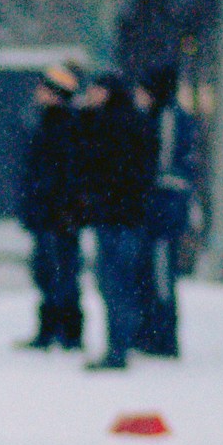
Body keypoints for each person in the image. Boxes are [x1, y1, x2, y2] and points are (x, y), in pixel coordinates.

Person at [75, 74, 152, 371]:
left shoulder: (108, 124)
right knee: (121, 281)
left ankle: (118, 347)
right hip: (125, 215)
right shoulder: (132, 121)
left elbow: (99, 167)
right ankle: (123, 342)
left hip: (115, 215)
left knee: (113, 282)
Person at [17, 64, 84, 351]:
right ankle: (55, 329)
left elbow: (64, 174)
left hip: (58, 214)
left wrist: (63, 207)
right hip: (49, 212)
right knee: (49, 272)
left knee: (60, 272)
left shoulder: (62, 127)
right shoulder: (48, 123)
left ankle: (65, 330)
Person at [131, 65, 194, 359]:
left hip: (163, 209)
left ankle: (163, 334)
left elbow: (165, 162)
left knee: (160, 272)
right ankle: (152, 330)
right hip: (159, 206)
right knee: (152, 270)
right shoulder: (160, 116)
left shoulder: (167, 118)